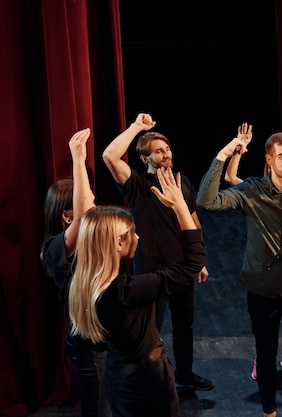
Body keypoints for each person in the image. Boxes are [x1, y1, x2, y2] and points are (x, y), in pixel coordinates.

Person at [196, 131, 282, 417]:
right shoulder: (251, 190)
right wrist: (223, 156)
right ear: (269, 159)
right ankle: (269, 412)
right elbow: (206, 202)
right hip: (263, 288)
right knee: (265, 353)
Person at [68, 167, 206, 417]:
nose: (138, 236)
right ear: (118, 242)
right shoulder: (126, 291)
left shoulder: (83, 281)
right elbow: (193, 263)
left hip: (119, 373)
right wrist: (180, 207)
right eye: (132, 233)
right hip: (146, 378)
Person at [102, 113, 213, 391]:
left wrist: (200, 260)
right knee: (150, 329)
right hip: (152, 270)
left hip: (183, 265)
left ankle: (184, 374)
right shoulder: (137, 185)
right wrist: (137, 127)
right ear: (144, 159)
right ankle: (148, 379)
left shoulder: (181, 181)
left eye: (167, 149)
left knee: (184, 324)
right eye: (158, 151)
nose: (165, 154)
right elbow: (111, 156)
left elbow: (194, 220)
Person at [40, 128, 111, 417]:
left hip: (106, 336)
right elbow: (84, 216)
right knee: (98, 411)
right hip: (89, 347)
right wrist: (78, 161)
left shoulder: (88, 242)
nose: (94, 206)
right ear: (67, 217)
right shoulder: (53, 248)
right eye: (88, 201)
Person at [223, 123, 282, 380]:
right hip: (264, 266)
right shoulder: (255, 191)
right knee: (264, 322)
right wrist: (238, 151)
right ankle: (261, 355)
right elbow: (230, 179)